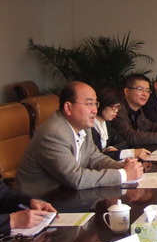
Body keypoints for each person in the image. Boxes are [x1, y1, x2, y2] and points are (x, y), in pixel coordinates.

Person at [14, 81, 144, 198]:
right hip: (39, 202)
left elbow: (95, 158)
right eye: (89, 104)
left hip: (66, 194)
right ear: (68, 108)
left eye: (95, 104)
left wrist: (124, 166)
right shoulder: (53, 133)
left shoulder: (83, 127)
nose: (95, 110)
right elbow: (76, 178)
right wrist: (123, 174)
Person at [92, 84, 151, 160]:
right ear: (100, 104)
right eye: (113, 107)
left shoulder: (106, 124)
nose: (116, 110)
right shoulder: (89, 128)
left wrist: (112, 149)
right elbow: (94, 158)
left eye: (118, 107)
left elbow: (123, 142)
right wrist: (131, 153)